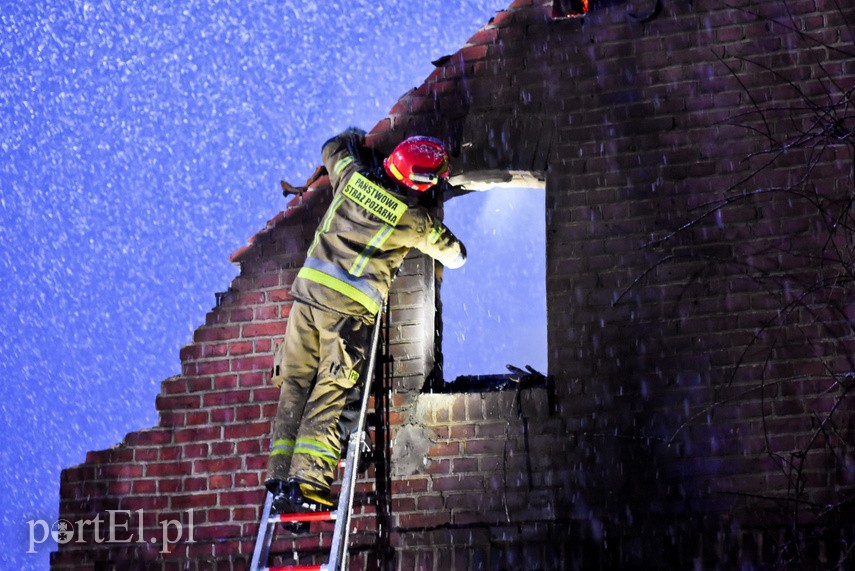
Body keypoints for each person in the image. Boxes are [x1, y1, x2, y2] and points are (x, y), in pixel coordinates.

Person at [264, 129, 467, 521]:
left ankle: (279, 477)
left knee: (295, 386)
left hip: (305, 299)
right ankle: (306, 484)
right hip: (346, 314)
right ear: (419, 182)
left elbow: (332, 148)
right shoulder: (414, 219)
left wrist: (356, 140)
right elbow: (456, 255)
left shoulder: (354, 177)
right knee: (329, 391)